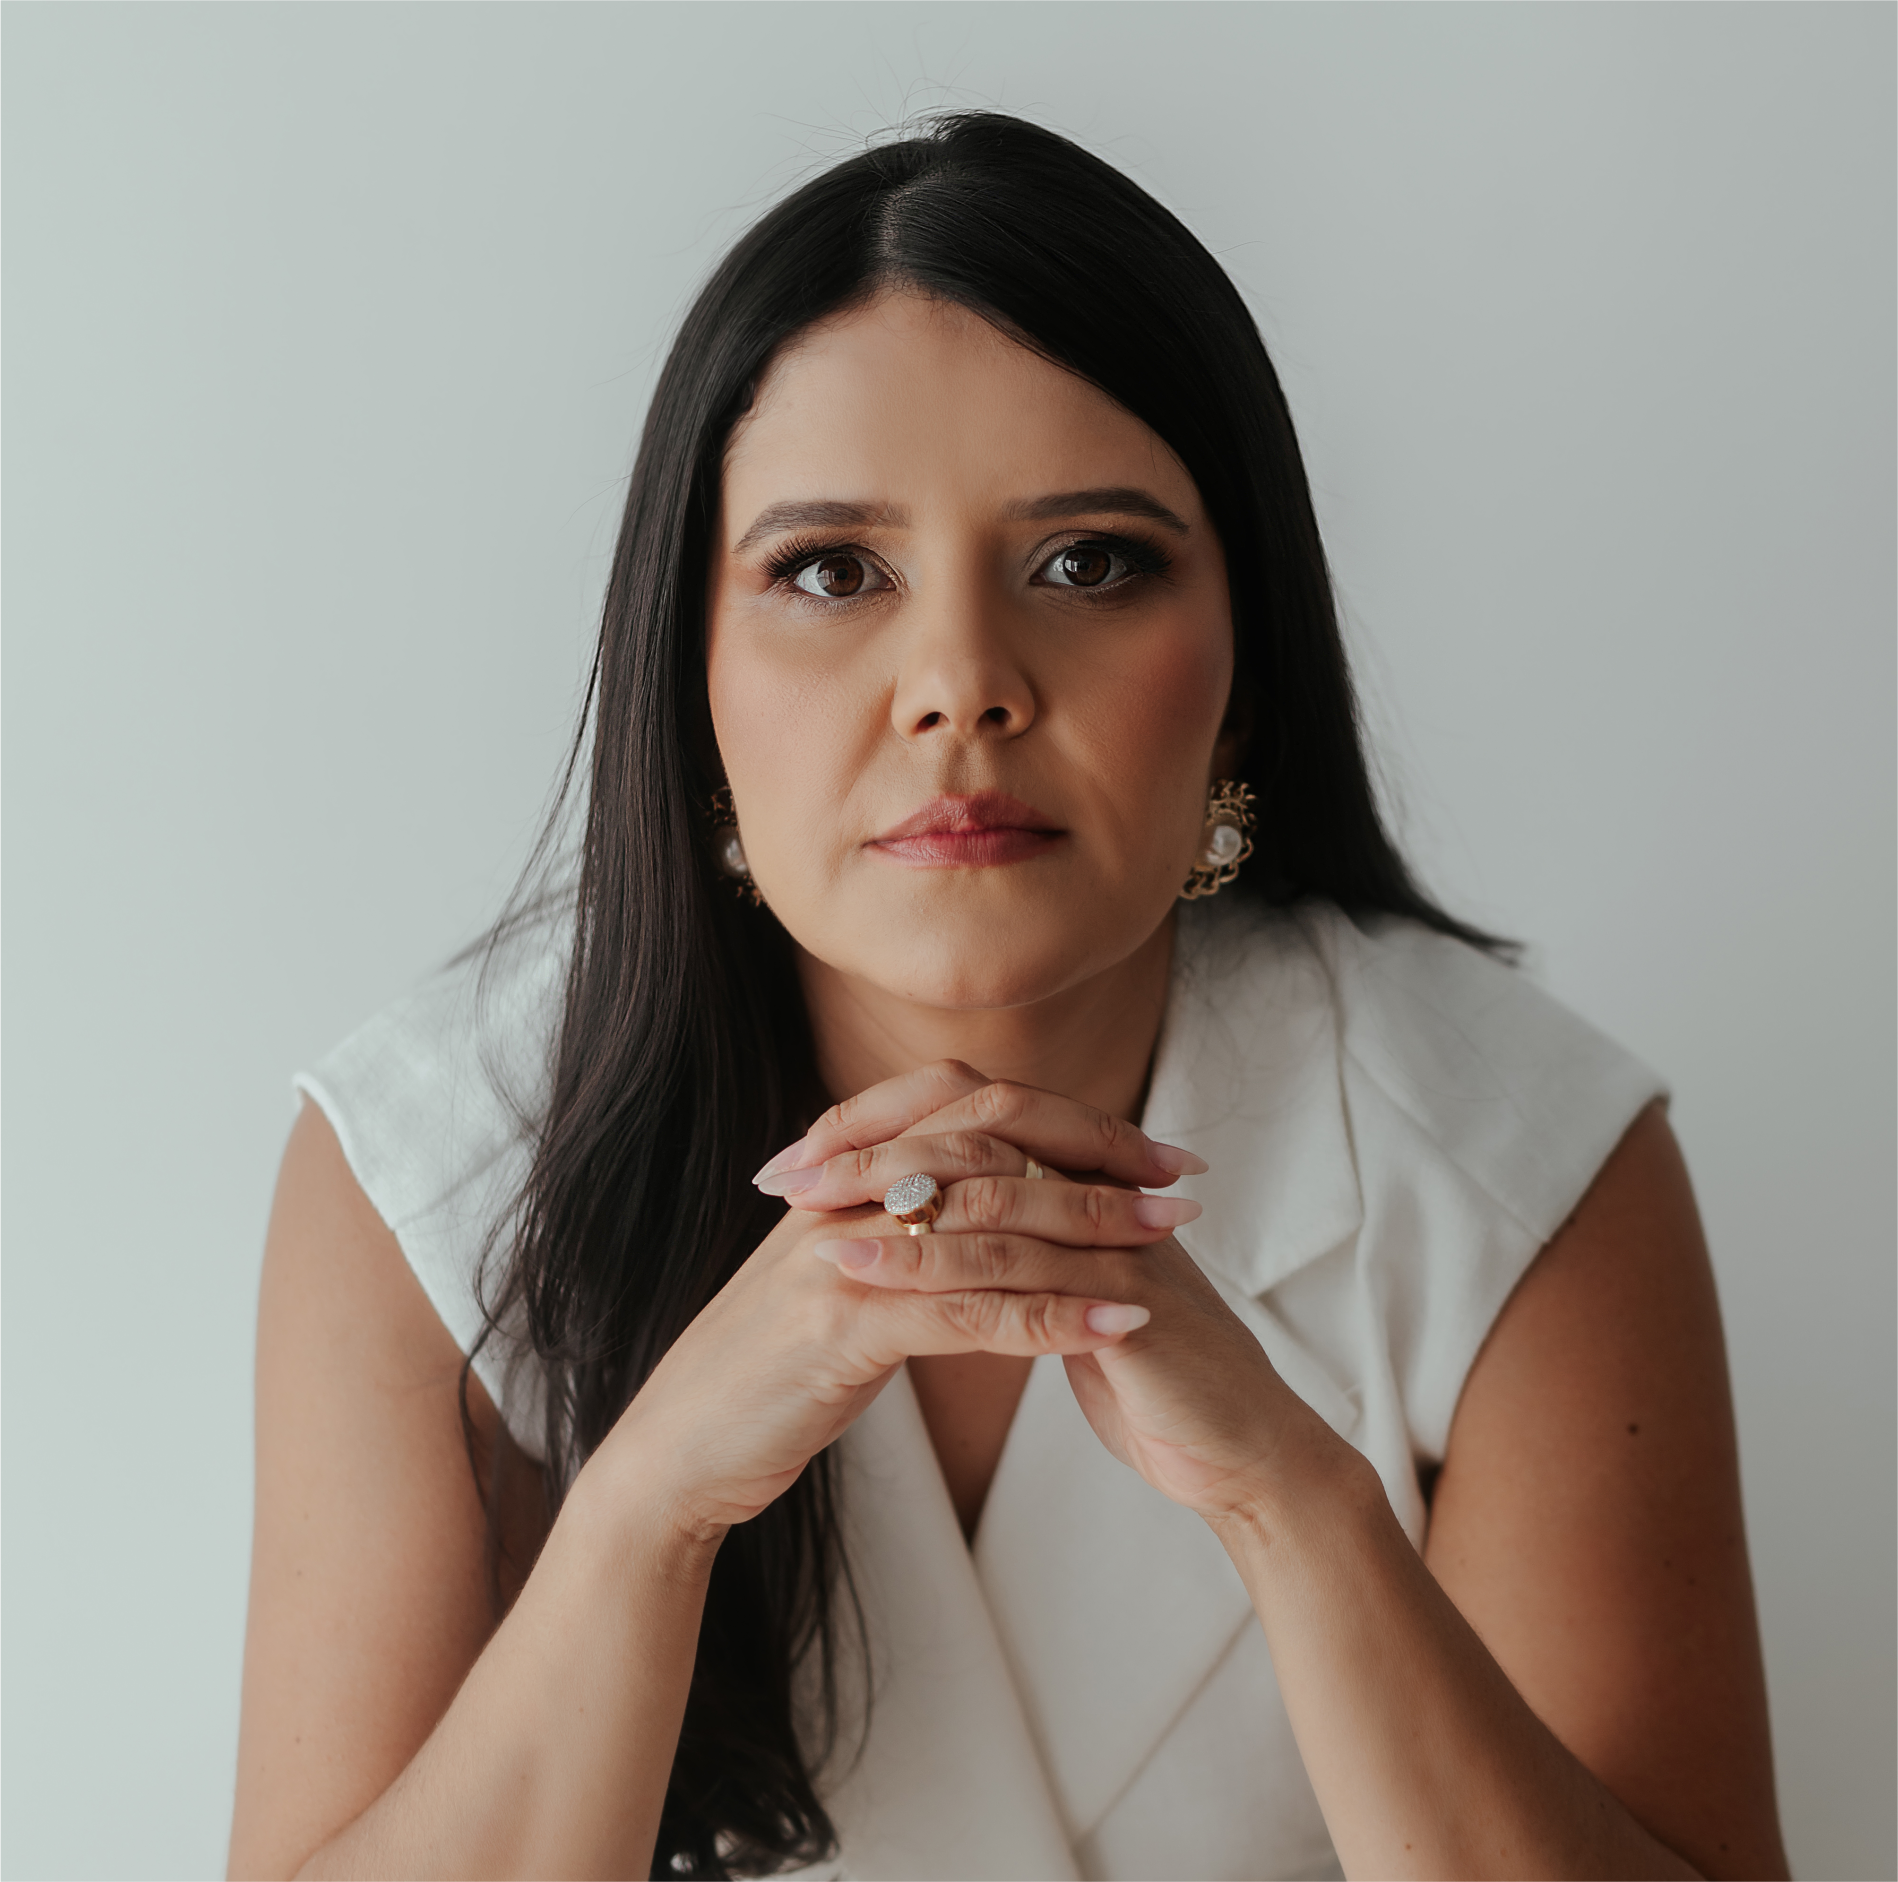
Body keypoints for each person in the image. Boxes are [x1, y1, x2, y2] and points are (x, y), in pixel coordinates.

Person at [226, 113, 1789, 1882]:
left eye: (1087, 561)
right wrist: (648, 1507)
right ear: (688, 678)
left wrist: (1296, 1501)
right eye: (832, 570)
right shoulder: (429, 1172)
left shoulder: (1525, 1165)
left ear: (1244, 670)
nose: (961, 683)